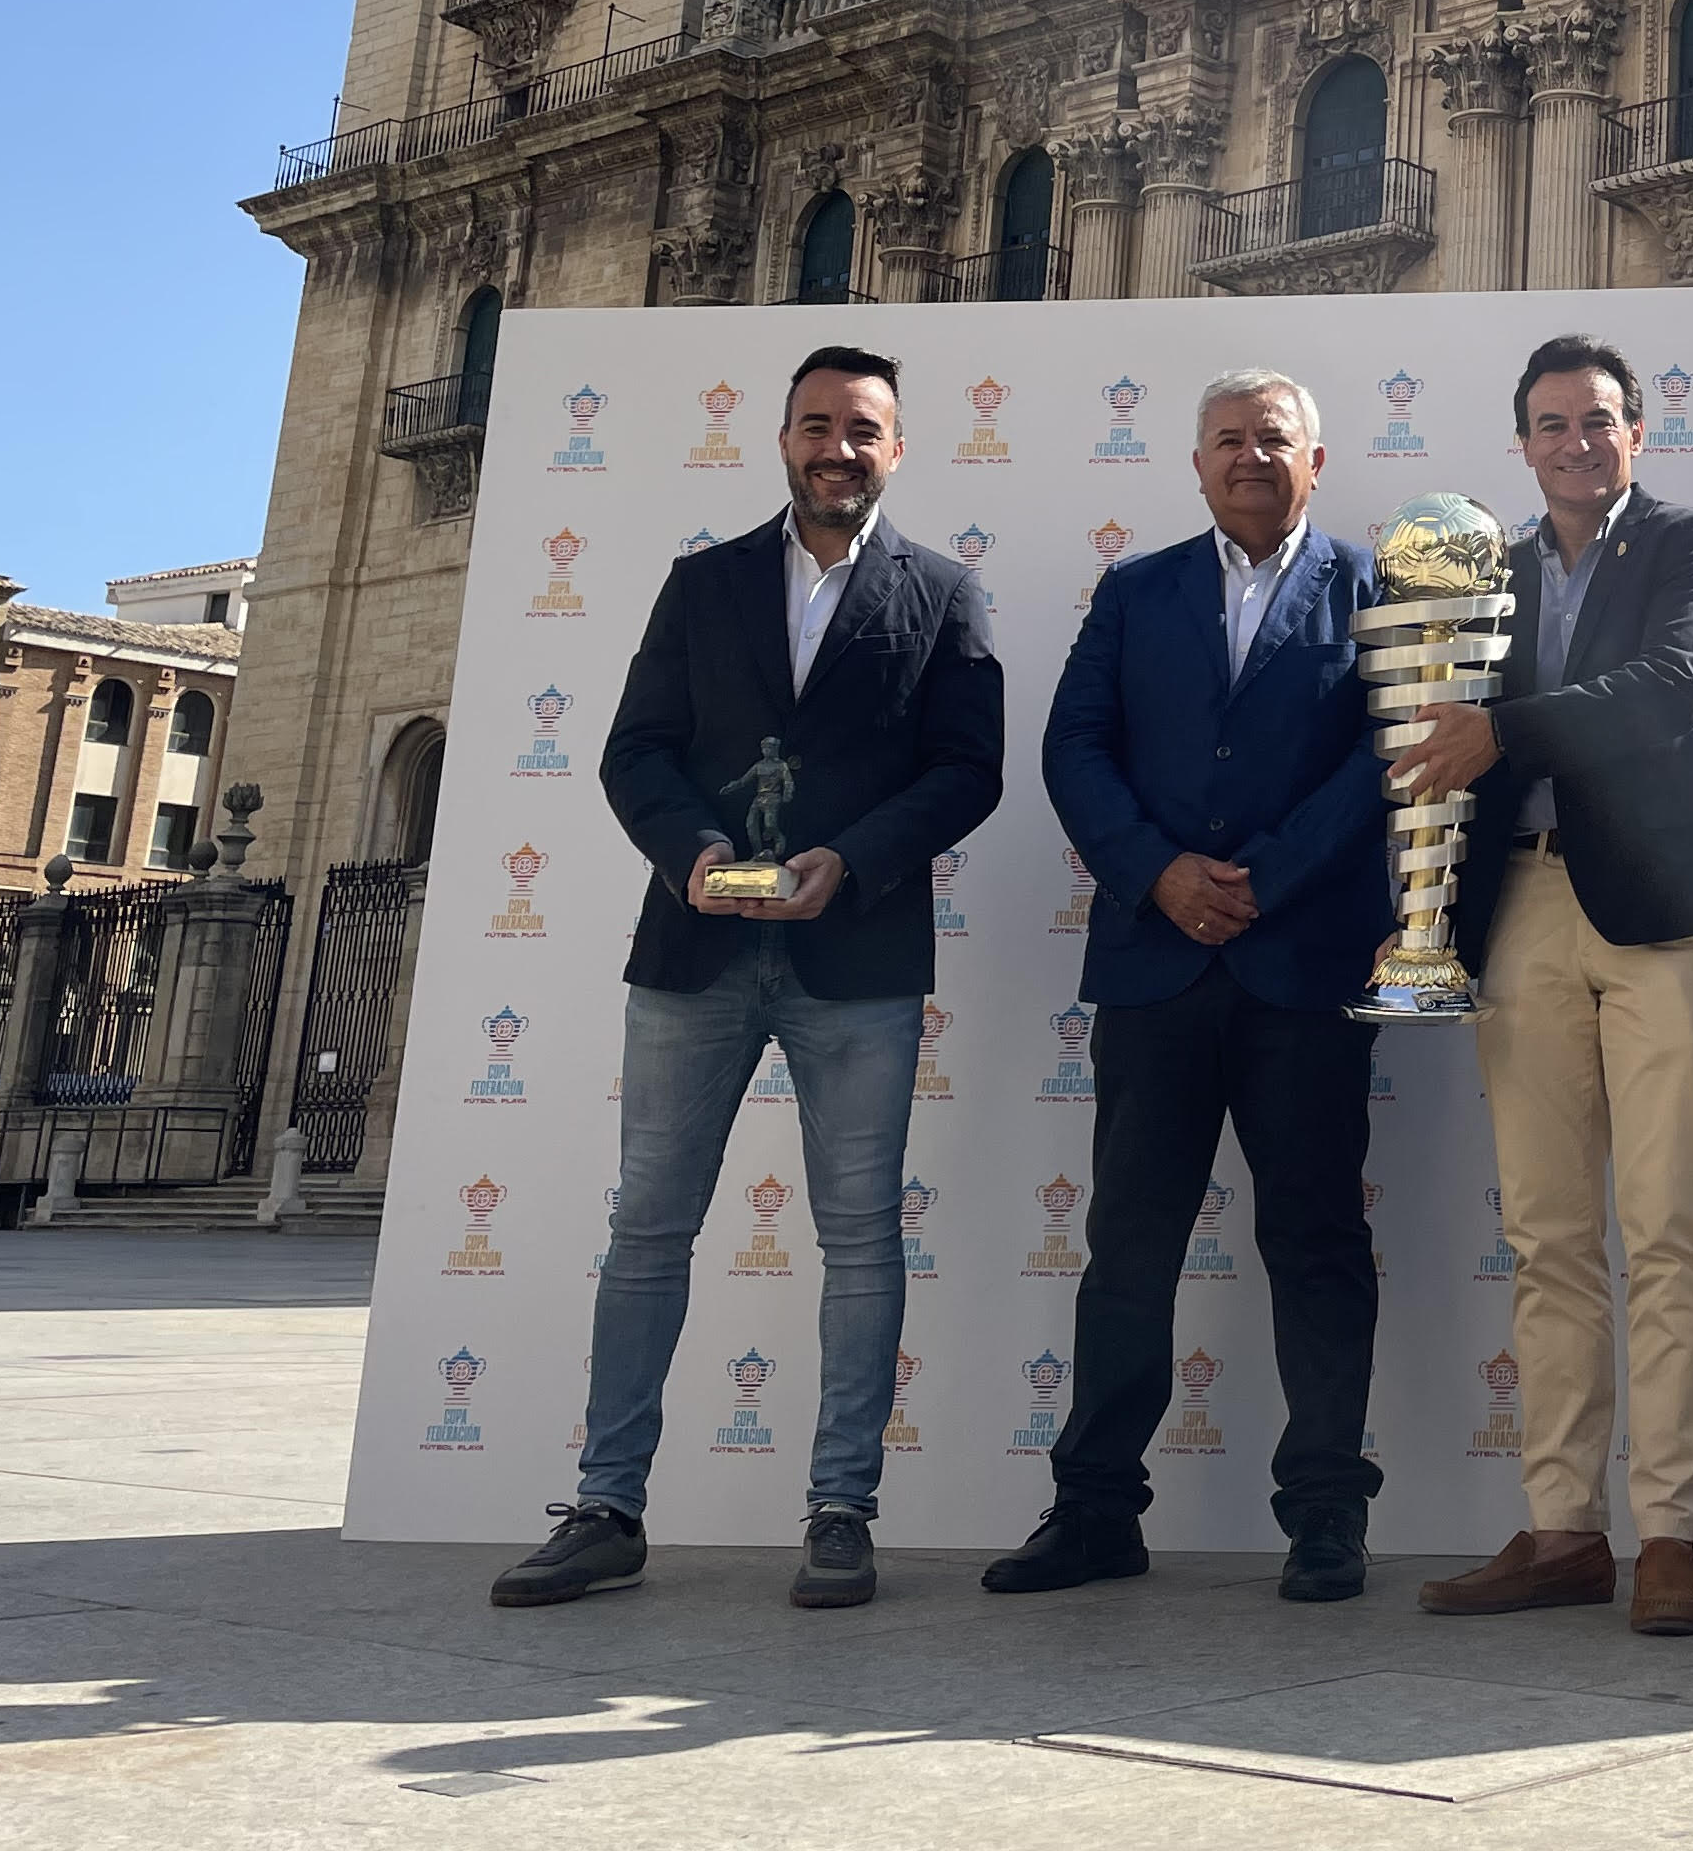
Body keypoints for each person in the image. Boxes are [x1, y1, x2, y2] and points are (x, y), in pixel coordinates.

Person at [491, 345, 1003, 1614]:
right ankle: (607, 1507)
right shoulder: (700, 584)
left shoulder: (943, 594)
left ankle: (841, 1511)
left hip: (860, 956)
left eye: (865, 429)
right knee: (649, 1233)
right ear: (781, 440)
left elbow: (969, 771)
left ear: (899, 447)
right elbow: (634, 753)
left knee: (860, 1241)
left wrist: (859, 859)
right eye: (817, 425)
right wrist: (695, 852)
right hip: (696, 951)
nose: (839, 447)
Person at [984, 371, 1392, 1607]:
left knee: (1317, 1242)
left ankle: (1326, 1515)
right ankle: (1096, 1511)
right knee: (1128, 1249)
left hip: (1302, 967)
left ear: (1315, 461)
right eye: (1229, 440)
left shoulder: (1375, 588)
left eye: (1275, 439)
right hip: (1157, 967)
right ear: (1196, 462)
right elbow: (1074, 746)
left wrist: (1264, 879)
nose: (1251, 457)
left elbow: (1389, 752)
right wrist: (1159, 873)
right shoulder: (1136, 589)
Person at [1390, 335, 1693, 1637]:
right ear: (1525, 446)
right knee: (1546, 1236)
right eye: (1552, 426)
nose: (1576, 444)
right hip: (1521, 911)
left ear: (1636, 436)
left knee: (1664, 1229)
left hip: (1658, 920)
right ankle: (1562, 1530)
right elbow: (1427, 717)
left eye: (1598, 422)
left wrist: (1507, 730)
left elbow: (1672, 692)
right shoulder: (1479, 574)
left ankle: (1671, 1535)